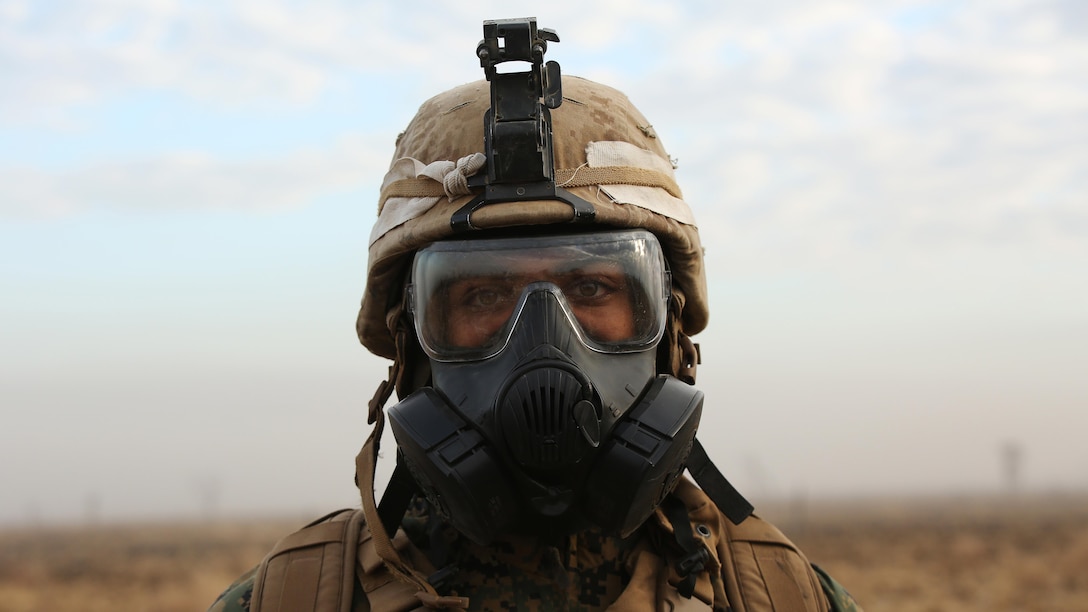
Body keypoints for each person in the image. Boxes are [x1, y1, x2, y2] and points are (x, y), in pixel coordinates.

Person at [210, 18, 861, 612]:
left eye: (594, 288)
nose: (546, 348)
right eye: (484, 296)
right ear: (410, 347)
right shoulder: (296, 600)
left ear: (671, 333)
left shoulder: (778, 598)